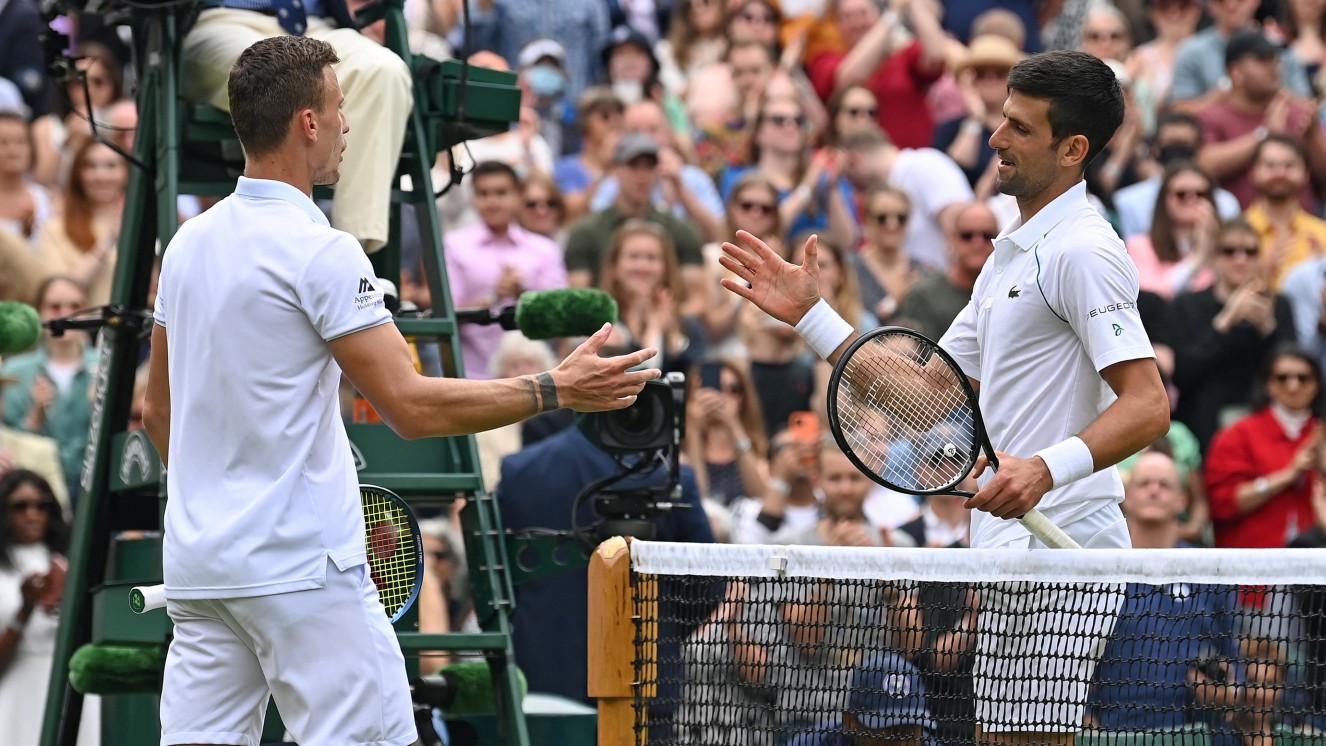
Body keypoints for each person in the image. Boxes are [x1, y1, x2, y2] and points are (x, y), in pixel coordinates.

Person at [141, 36, 660, 746]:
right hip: (300, 572)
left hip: (202, 570)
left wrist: (225, 505)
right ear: (308, 123)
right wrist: (553, 389)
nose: (350, 124)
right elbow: (411, 408)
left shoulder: (188, 244)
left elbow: (156, 413)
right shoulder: (322, 250)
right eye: (339, 107)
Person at [718, 50, 1170, 744]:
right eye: (1001, 119)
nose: (995, 138)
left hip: (1064, 540)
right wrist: (815, 319)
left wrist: (1046, 470)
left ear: (1073, 149)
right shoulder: (1010, 255)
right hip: (1007, 537)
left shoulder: (1084, 251)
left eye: (1020, 127)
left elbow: (1147, 405)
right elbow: (927, 392)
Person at [1167, 218, 1296, 453]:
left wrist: (1268, 329)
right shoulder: (1186, 305)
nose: (1240, 259)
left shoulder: (1279, 305)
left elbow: (1292, 377)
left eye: (1250, 251)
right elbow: (1183, 376)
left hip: (1265, 426)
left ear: (1260, 258)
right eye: (1230, 251)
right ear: (1214, 257)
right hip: (1202, 428)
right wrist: (1226, 321)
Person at [0, 469, 99, 746]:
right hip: (17, 691)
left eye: (42, 505)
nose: (32, 514)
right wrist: (26, 607)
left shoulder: (70, 560)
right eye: (20, 506)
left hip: (71, 686)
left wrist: (68, 602)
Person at [443, 161, 567, 380]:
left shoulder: (544, 250)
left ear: (518, 196)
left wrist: (523, 293)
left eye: (501, 193)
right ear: (473, 198)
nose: (492, 202)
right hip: (471, 376)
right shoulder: (454, 245)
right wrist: (493, 298)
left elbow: (560, 315)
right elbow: (448, 312)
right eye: (484, 193)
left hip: (535, 376)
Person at [1204, 344, 1322, 548]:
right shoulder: (1238, 434)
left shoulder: (1321, 433)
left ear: (1316, 385)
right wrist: (1288, 475)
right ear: (1268, 384)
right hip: (1252, 567)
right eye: (1282, 378)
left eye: (1303, 378)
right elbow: (1222, 504)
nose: (1293, 386)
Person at [1, 277, 99, 501]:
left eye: (76, 306)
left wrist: (101, 408)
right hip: (36, 497)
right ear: (39, 313)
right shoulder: (14, 372)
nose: (65, 314)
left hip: (95, 491)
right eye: (55, 307)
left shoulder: (107, 365)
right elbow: (9, 444)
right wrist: (34, 417)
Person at [895, 201, 998, 341]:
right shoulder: (924, 294)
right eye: (967, 235)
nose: (977, 243)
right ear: (952, 238)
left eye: (987, 236)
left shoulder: (1007, 291)